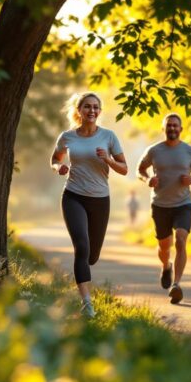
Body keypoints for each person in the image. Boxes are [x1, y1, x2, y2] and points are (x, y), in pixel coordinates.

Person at [51, 92, 128, 317]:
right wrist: (59, 168)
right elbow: (55, 158)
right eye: (87, 107)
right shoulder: (67, 137)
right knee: (82, 247)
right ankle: (87, 303)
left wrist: (108, 159)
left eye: (95, 107)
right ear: (79, 110)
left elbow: (124, 169)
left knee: (92, 255)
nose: (91, 111)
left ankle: (86, 281)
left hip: (100, 200)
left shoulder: (109, 136)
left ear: (99, 111)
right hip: (73, 196)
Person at [137, 113, 191, 304]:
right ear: (163, 129)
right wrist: (147, 179)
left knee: (181, 240)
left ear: (181, 129)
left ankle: (176, 284)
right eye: (169, 126)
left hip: (183, 204)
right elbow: (140, 169)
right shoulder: (154, 151)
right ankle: (166, 265)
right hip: (160, 205)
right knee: (164, 246)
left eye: (176, 126)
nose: (172, 128)